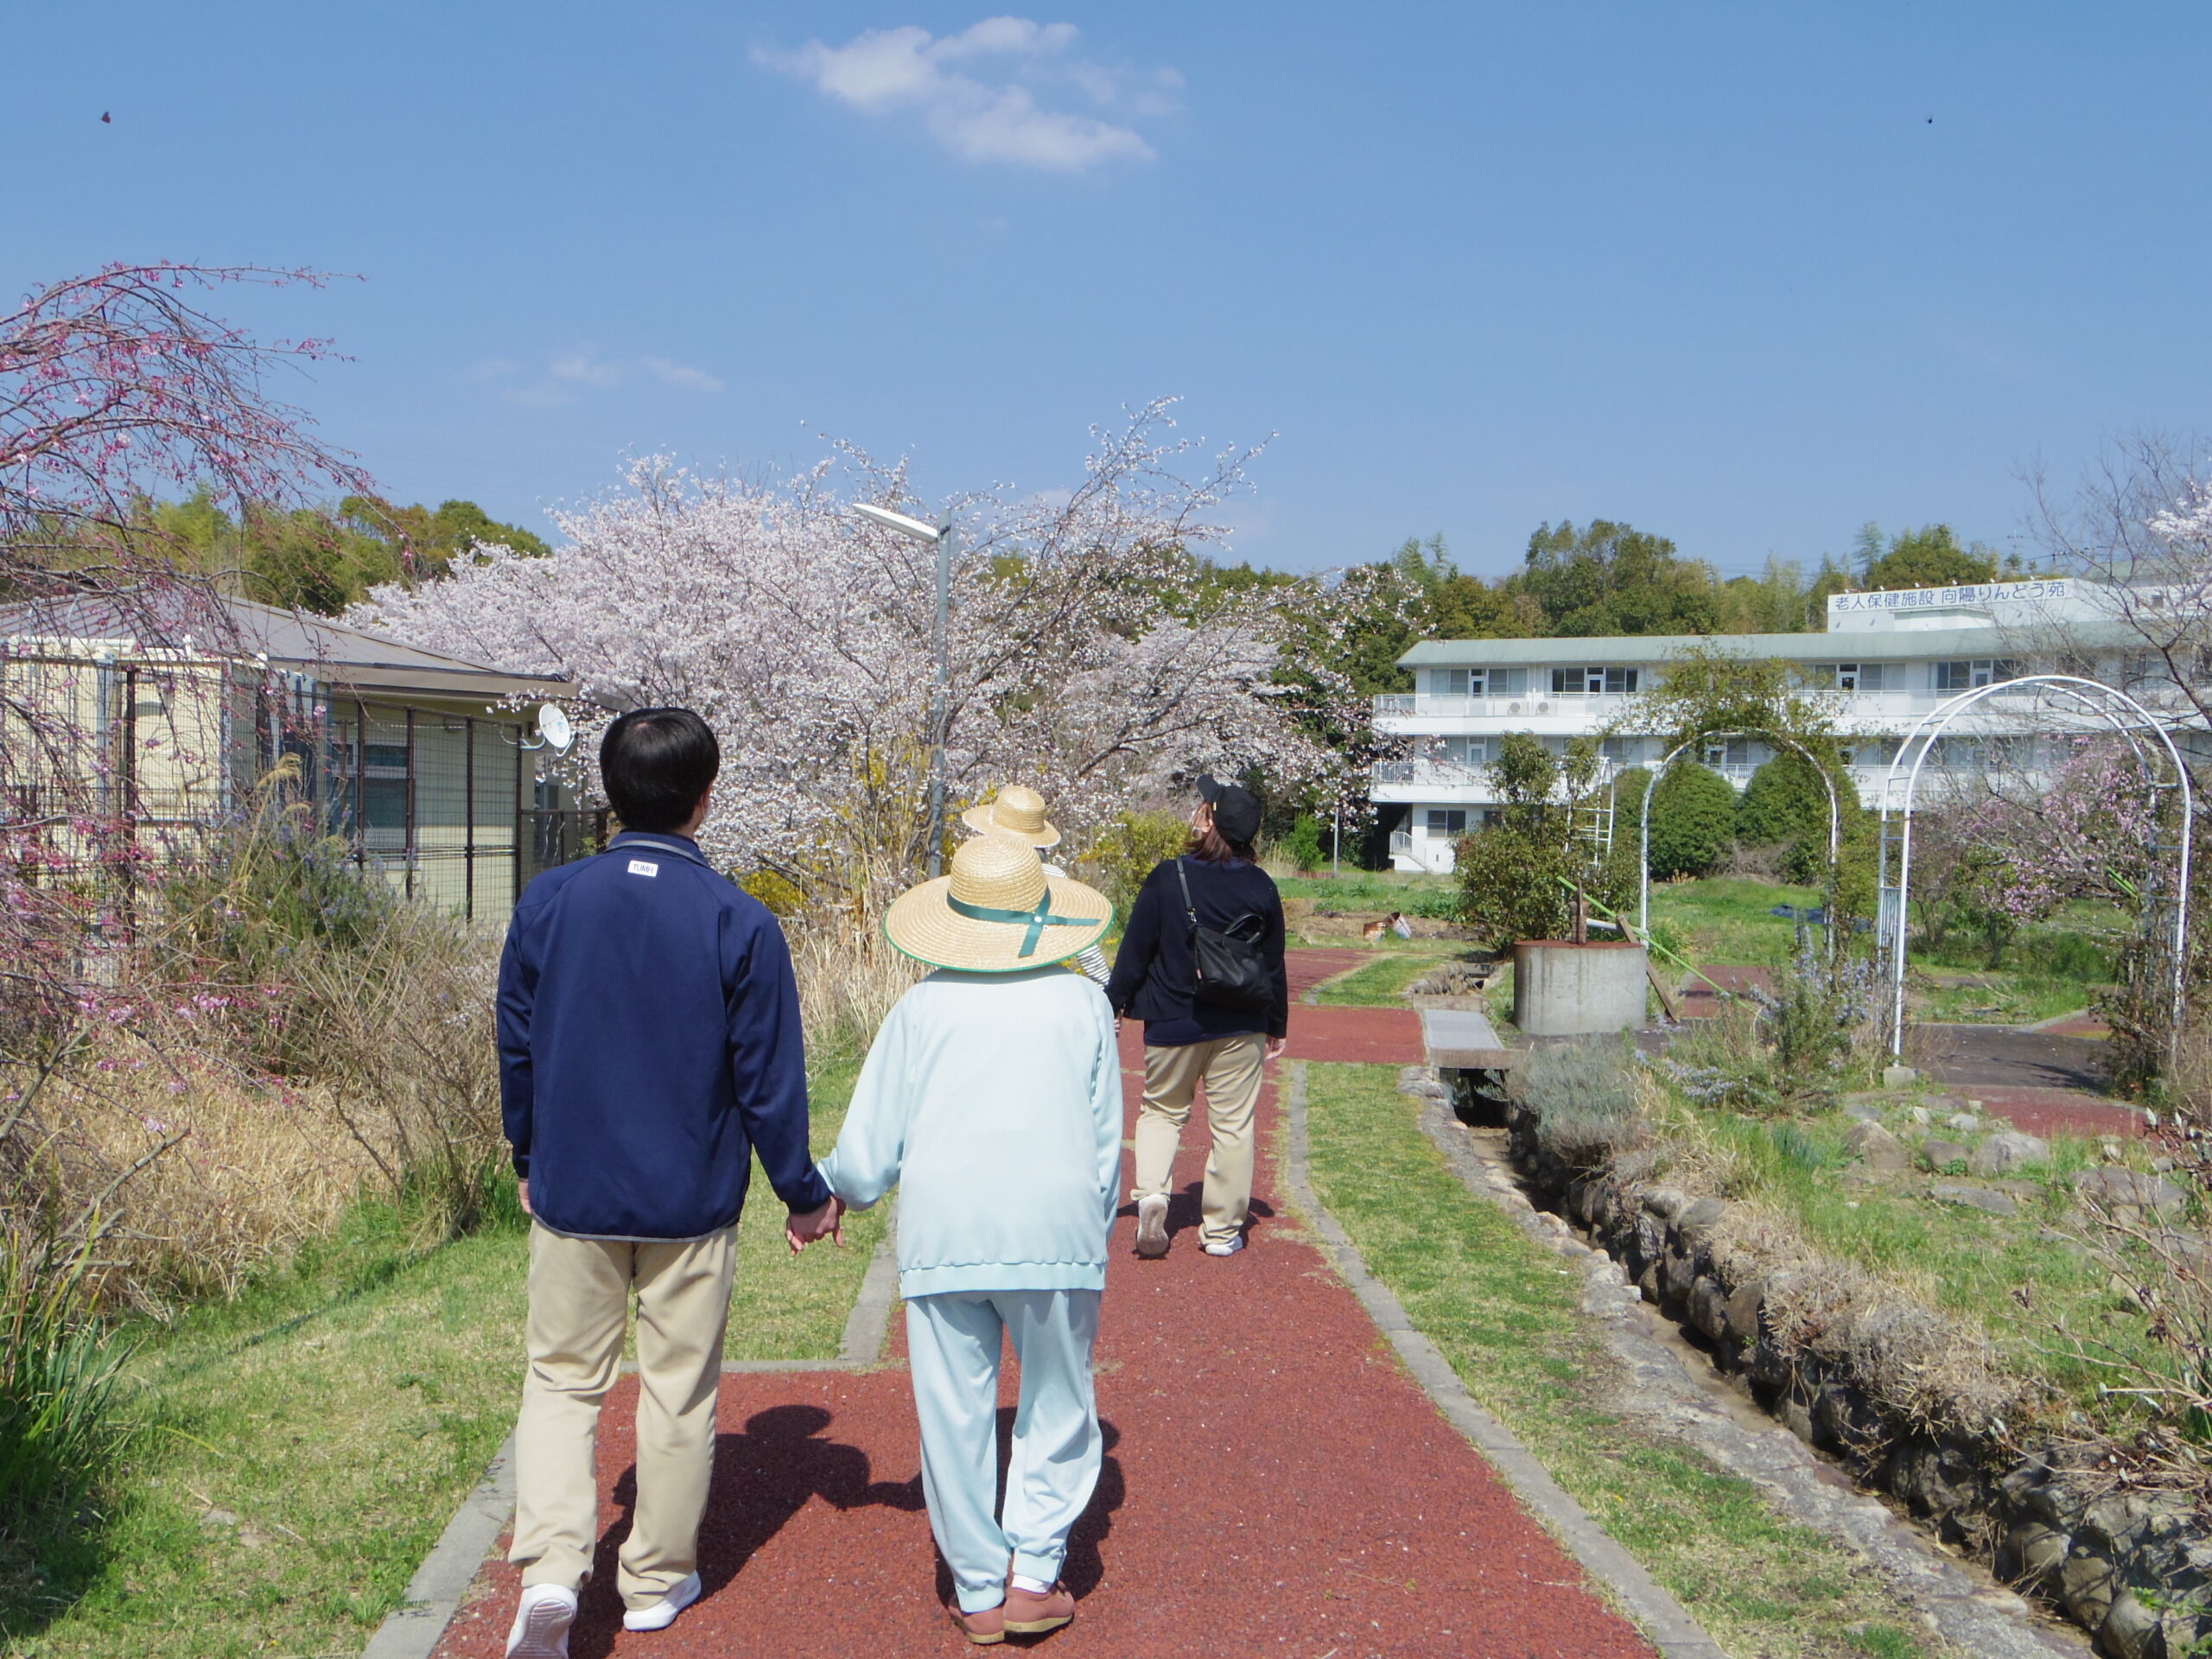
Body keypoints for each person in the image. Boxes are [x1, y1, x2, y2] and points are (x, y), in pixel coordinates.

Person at [494, 709, 840, 1659]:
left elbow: (517, 1046)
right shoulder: (740, 920)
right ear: (705, 795)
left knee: (561, 1382)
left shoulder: (549, 901)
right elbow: (769, 1081)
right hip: (690, 1200)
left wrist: (526, 1155)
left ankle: (551, 1567)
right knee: (678, 1392)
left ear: (610, 793)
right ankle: (653, 1579)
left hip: (574, 1190)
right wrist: (803, 1194)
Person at [800, 834, 1121, 1645]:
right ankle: (1034, 1575)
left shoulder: (921, 1007)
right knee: (1059, 1399)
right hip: (1055, 1231)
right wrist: (1096, 1223)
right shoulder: (1083, 1001)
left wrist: (833, 1194)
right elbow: (1104, 1142)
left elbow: (870, 1148)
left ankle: (976, 1587)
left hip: (943, 1232)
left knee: (953, 1411)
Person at [1103, 775, 1288, 1260]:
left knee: (1162, 1111)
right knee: (1233, 1126)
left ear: (1210, 823)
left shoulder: (1169, 877)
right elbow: (1273, 964)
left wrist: (1113, 1002)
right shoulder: (1263, 887)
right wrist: (1277, 1025)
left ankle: (1153, 1196)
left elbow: (1136, 950)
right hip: (1242, 1023)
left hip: (1173, 1019)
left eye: (1204, 808)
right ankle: (1222, 1232)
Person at [962, 784, 1110, 984]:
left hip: (978, 976)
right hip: (1040, 978)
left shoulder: (975, 871)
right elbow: (1082, 939)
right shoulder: (1054, 876)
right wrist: (1106, 987)